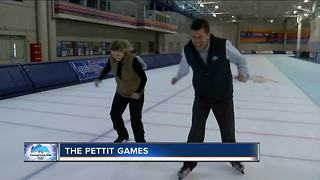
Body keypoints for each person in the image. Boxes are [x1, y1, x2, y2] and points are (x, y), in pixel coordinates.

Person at [171, 19, 249, 179]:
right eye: (194, 37)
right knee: (195, 132)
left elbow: (240, 60)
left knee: (228, 132)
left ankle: (234, 160)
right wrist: (178, 76)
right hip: (202, 96)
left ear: (208, 35)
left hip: (223, 97)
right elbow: (184, 67)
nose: (197, 41)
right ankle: (188, 165)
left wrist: (243, 73)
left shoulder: (223, 45)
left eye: (200, 37)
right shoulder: (187, 50)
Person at [95, 40, 147, 143]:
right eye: (113, 55)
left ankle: (141, 142)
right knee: (114, 114)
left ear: (123, 51)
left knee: (135, 121)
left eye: (118, 55)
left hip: (135, 94)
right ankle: (122, 135)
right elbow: (107, 68)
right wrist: (100, 78)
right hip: (121, 92)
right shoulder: (112, 59)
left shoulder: (133, 60)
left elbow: (144, 78)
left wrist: (137, 92)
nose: (115, 57)